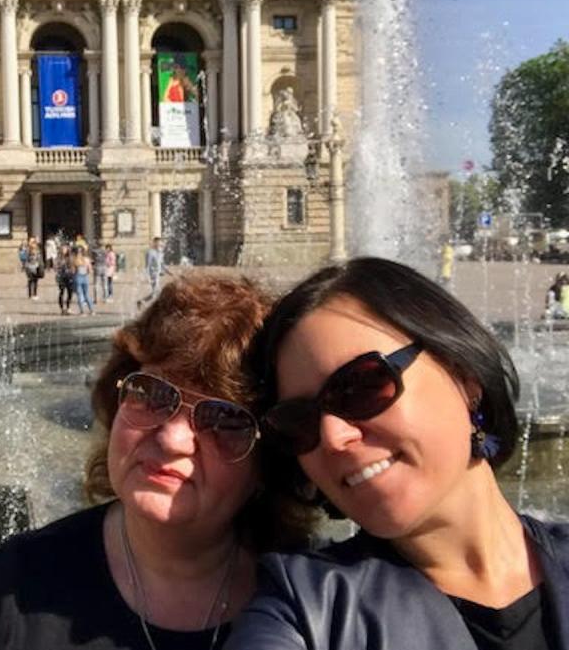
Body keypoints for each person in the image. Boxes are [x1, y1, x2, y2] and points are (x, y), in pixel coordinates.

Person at [0, 274, 317, 650]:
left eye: (223, 420)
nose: (172, 439)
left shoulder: (319, 601)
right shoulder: (13, 587)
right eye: (152, 394)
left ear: (269, 460)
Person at [227, 257, 569, 650]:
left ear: (464, 377)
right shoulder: (305, 609)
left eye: (362, 386)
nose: (333, 436)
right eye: (298, 421)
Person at [138, 237, 166, 308]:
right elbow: (147, 265)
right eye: (158, 243)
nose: (160, 245)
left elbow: (162, 264)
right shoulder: (150, 252)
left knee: (155, 293)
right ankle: (157, 308)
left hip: (157, 275)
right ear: (154, 243)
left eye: (160, 243)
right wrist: (147, 277)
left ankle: (141, 302)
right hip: (153, 275)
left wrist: (170, 273)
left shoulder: (160, 253)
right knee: (157, 293)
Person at [72, 245, 94, 315]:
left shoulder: (75, 260)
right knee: (87, 294)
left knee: (79, 295)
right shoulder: (87, 259)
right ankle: (92, 310)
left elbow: (73, 271)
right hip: (85, 277)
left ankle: (82, 311)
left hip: (78, 277)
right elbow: (90, 270)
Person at [55, 243, 75, 315]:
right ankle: (62, 309)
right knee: (61, 292)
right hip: (61, 277)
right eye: (63, 249)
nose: (64, 250)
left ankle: (68, 307)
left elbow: (73, 266)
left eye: (65, 248)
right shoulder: (58, 258)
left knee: (70, 293)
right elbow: (56, 267)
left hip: (69, 277)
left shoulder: (71, 257)